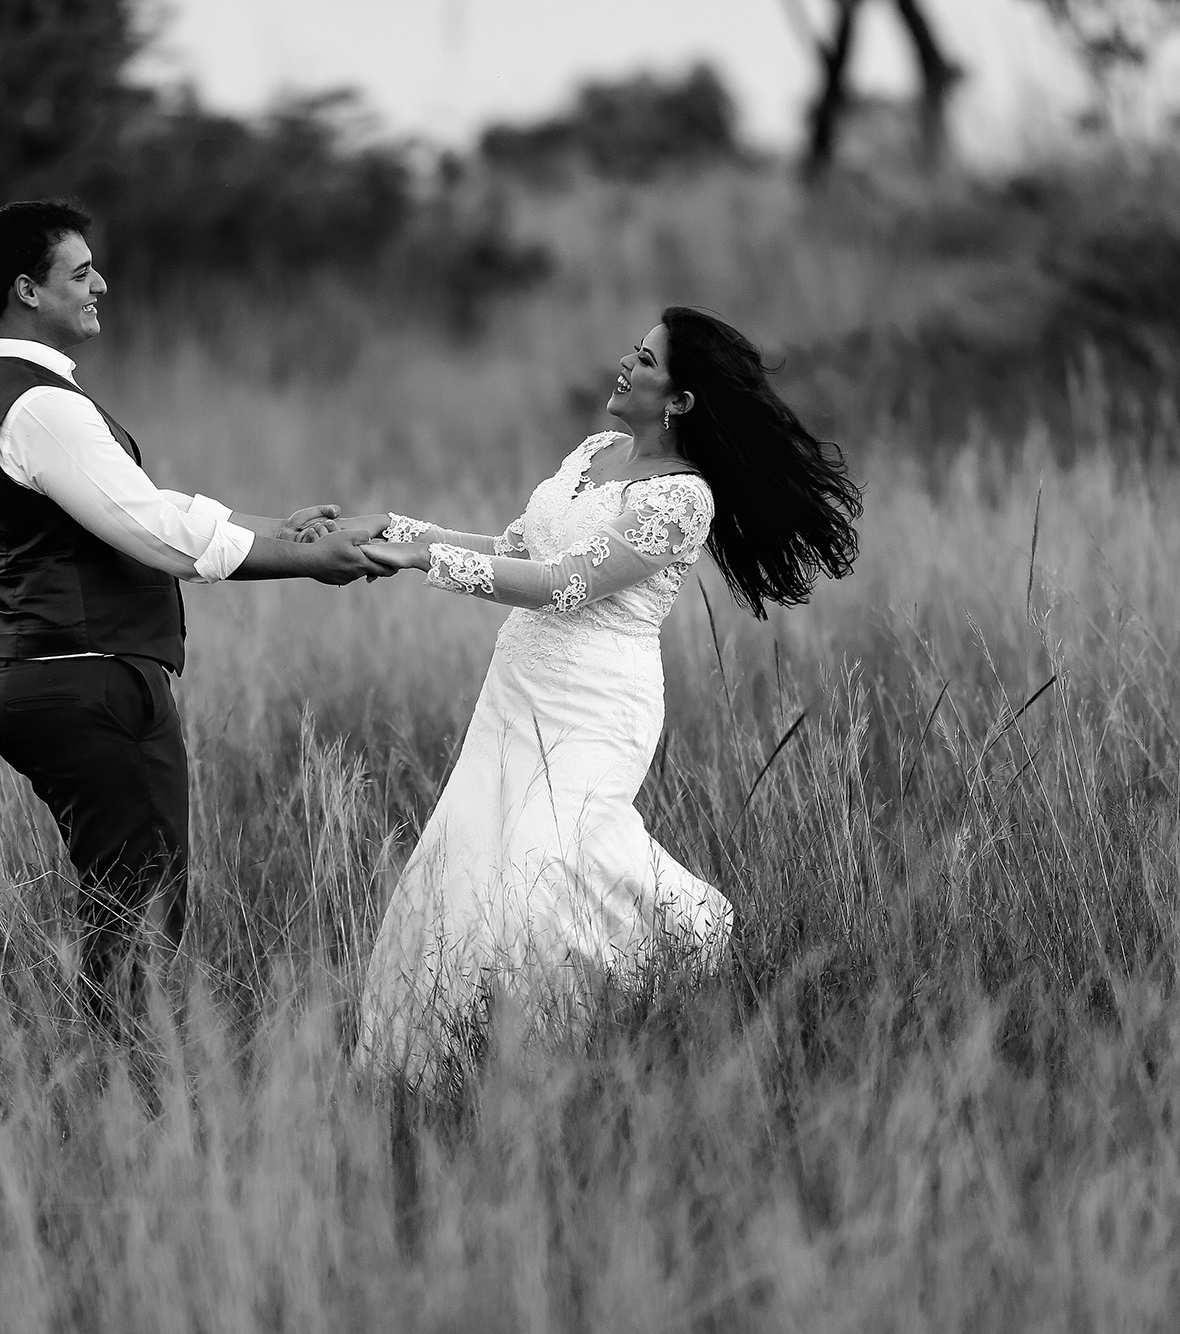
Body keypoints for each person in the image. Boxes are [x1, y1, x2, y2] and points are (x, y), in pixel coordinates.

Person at [348, 308, 862, 1078]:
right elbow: (514, 549)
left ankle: (671, 969)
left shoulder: (682, 499)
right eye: (634, 349)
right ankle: (444, 1063)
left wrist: (428, 563)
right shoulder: (593, 453)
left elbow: (563, 583)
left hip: (595, 705)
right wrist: (394, 529)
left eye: (646, 360)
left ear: (680, 400)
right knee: (469, 864)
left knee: (542, 875)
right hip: (515, 690)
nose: (625, 362)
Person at [0, 199, 388, 1030]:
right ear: (27, 291)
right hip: (88, 684)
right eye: (81, 273)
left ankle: (116, 1078)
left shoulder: (7, 394)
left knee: (125, 902)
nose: (101, 285)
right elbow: (155, 531)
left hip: (48, 679)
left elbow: (144, 504)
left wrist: (281, 527)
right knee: (142, 911)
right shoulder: (40, 405)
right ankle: (135, 1088)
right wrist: (307, 560)